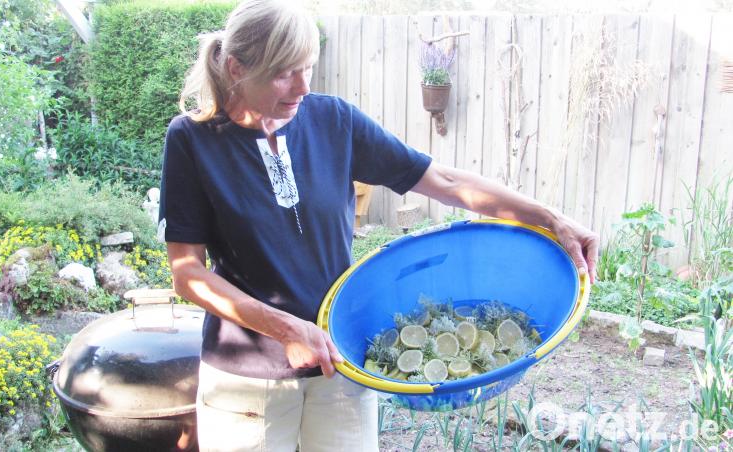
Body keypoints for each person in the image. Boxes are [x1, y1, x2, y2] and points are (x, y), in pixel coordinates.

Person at [159, 1, 598, 450]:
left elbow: (444, 181)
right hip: (247, 381)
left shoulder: (334, 121)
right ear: (236, 68)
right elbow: (188, 273)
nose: (303, 87)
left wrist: (552, 219)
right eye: (283, 73)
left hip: (343, 364)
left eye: (308, 68)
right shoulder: (191, 141)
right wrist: (286, 329)